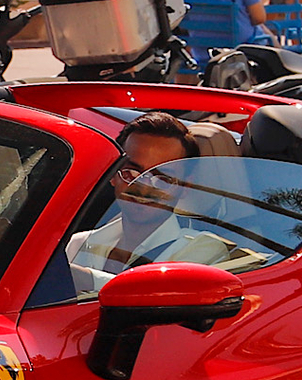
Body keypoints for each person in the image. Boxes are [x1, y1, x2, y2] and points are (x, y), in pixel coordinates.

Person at [62, 112, 240, 292]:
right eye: (131, 174)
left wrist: (88, 279)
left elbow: (164, 295)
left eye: (163, 179)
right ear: (113, 175)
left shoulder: (203, 250)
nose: (144, 188)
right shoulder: (80, 243)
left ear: (185, 186)